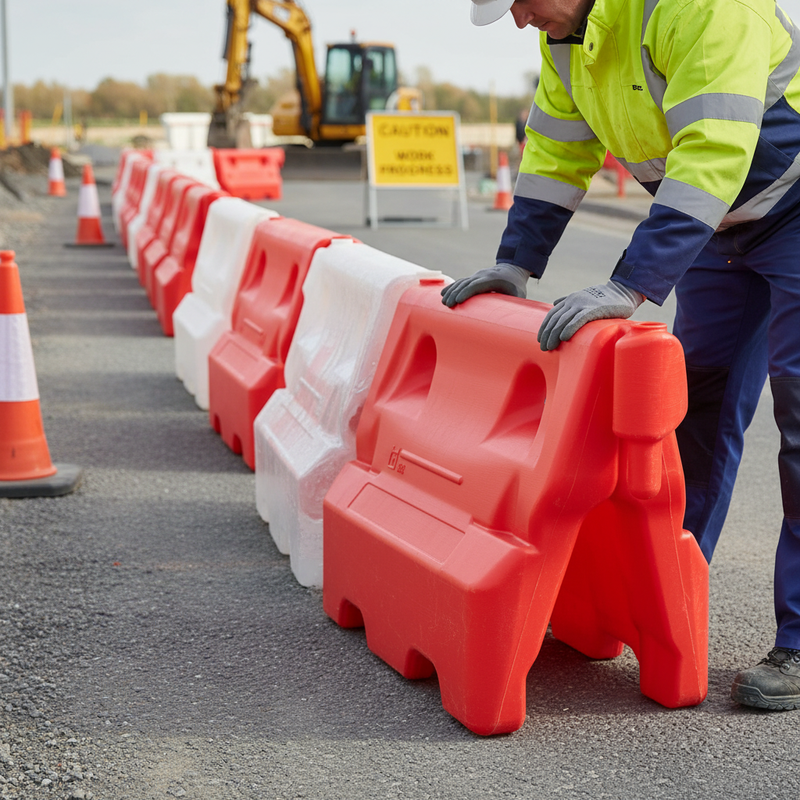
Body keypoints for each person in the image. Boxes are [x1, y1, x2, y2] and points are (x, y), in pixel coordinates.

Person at [444, 0, 800, 710]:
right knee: (692, 412)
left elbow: (714, 150)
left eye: (519, 2)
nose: (517, 20)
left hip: (788, 207)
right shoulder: (568, 38)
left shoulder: (697, 6)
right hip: (722, 226)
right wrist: (517, 264)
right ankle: (666, 605)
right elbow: (556, 153)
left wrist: (633, 283)